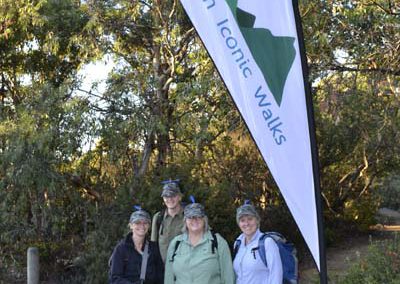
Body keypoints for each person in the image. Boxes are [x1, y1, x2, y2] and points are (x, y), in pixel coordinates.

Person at [164, 201, 235, 284]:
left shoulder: (218, 242)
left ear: (204, 219)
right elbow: (169, 277)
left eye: (198, 216)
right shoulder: (176, 243)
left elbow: (228, 276)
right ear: (185, 221)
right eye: (190, 217)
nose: (194, 220)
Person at [109, 208, 164, 284]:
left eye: (145, 223)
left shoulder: (154, 248)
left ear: (149, 226)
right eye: (137, 223)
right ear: (131, 225)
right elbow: (115, 278)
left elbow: (160, 276)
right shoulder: (121, 249)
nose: (142, 226)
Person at [233, 203, 283, 284]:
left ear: (257, 220)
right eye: (242, 220)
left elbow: (276, 275)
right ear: (239, 224)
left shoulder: (267, 243)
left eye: (250, 219)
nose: (246, 224)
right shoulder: (237, 244)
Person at [151, 180, 185, 263]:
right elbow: (153, 245)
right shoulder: (158, 217)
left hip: (184, 269)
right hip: (162, 270)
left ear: (179, 197)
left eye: (173, 195)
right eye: (166, 196)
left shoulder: (189, 217)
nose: (169, 199)